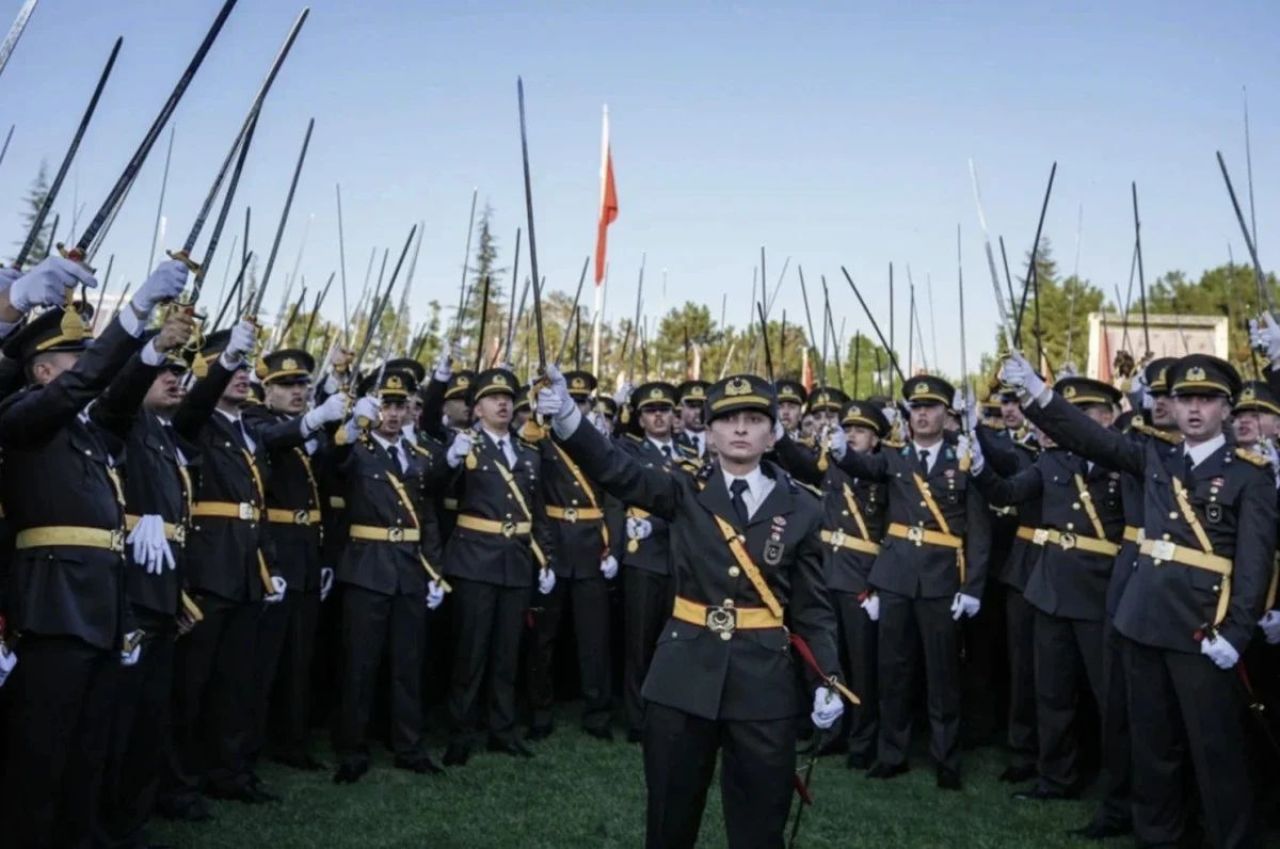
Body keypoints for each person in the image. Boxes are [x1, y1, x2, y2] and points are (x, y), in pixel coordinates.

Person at [537, 368, 847, 849]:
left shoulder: (802, 507)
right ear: (709, 432)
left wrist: (828, 676)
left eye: (752, 419)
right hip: (683, 675)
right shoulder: (682, 488)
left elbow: (812, 608)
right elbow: (617, 470)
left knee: (761, 825)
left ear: (772, 434)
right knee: (669, 819)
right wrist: (570, 420)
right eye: (727, 419)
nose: (740, 428)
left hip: (764, 681)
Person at [1003, 351, 1275, 849]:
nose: (1194, 409)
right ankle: (1157, 837)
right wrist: (1038, 393)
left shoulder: (1249, 474)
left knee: (1216, 749)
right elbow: (1089, 437)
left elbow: (1254, 565)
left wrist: (1237, 632)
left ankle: (1229, 839)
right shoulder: (1155, 455)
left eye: (1207, 400)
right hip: (1143, 620)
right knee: (1152, 746)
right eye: (1185, 398)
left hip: (1202, 628)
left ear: (1226, 409)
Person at [0, 256, 187, 848]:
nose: (90, 371)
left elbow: (119, 396)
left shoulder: (86, 430)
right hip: (52, 605)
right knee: (42, 752)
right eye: (76, 363)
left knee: (88, 744)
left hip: (100, 605)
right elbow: (89, 384)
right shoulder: (24, 418)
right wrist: (130, 316)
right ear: (43, 370)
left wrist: (150, 346)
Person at [827, 374, 990, 789]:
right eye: (915, 408)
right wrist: (841, 449)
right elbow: (862, 464)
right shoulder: (896, 458)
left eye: (931, 407)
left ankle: (946, 759)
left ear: (945, 414)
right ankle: (891, 753)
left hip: (940, 580)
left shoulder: (964, 458)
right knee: (893, 671)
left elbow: (978, 531)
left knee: (942, 677)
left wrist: (972, 588)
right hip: (896, 578)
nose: (922, 414)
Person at [973, 376, 1125, 802]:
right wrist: (981, 467)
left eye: (1084, 415)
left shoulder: (1123, 462)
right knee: (1051, 692)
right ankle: (1056, 777)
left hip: (1101, 591)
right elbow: (1008, 491)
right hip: (1050, 588)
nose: (1071, 425)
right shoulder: (1052, 462)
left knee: (1109, 696)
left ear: (1108, 418)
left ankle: (1117, 788)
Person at [330, 368, 446, 782]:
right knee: (360, 664)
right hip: (367, 566)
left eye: (399, 406)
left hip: (409, 570)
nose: (393, 414)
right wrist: (349, 423)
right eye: (385, 405)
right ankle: (352, 748)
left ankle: (408, 746)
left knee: (407, 663)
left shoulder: (417, 458)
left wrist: (434, 570)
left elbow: (427, 517)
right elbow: (332, 461)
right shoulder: (356, 450)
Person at [441, 367, 554, 765]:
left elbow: (537, 511)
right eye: (492, 398)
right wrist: (450, 461)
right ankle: (461, 733)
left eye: (507, 397)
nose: (503, 403)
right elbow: (435, 491)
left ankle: (502, 730)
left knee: (508, 652)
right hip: (474, 559)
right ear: (476, 409)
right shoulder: (465, 446)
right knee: (470, 653)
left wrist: (546, 557)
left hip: (517, 561)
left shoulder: (527, 451)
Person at [245, 348, 347, 771]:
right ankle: (250, 744)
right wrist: (315, 419)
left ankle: (292, 740)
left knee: (299, 657)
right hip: (275, 552)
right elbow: (272, 440)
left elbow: (327, 486)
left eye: (303, 384)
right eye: (286, 385)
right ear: (266, 391)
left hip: (306, 551)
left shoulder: (309, 432)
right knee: (263, 658)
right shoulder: (256, 421)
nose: (297, 392)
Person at [774, 399, 890, 770]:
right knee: (827, 662)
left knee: (862, 666)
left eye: (861, 430)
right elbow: (802, 466)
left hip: (862, 577)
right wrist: (779, 437)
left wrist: (879, 583)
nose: (852, 435)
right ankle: (830, 733)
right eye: (849, 429)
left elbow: (893, 532)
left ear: (875, 440)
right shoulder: (832, 465)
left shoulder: (885, 474)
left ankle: (863, 740)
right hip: (827, 571)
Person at [526, 369, 619, 741]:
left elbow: (614, 497)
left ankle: (598, 714)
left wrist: (613, 546)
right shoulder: (540, 440)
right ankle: (540, 711)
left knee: (594, 639)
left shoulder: (596, 443)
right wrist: (542, 552)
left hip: (591, 547)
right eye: (572, 400)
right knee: (543, 638)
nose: (576, 406)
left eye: (582, 402)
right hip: (553, 544)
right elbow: (531, 497)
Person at [614, 381, 688, 743]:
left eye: (665, 409)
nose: (658, 416)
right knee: (640, 643)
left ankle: (668, 713)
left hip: (682, 558)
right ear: (640, 418)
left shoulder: (690, 451)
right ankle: (638, 718)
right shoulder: (630, 450)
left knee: (676, 643)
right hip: (644, 556)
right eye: (650, 410)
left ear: (675, 416)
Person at [674, 379, 709, 459]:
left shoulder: (719, 441)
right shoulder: (670, 441)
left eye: (702, 407)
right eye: (692, 406)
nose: (698, 412)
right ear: (682, 409)